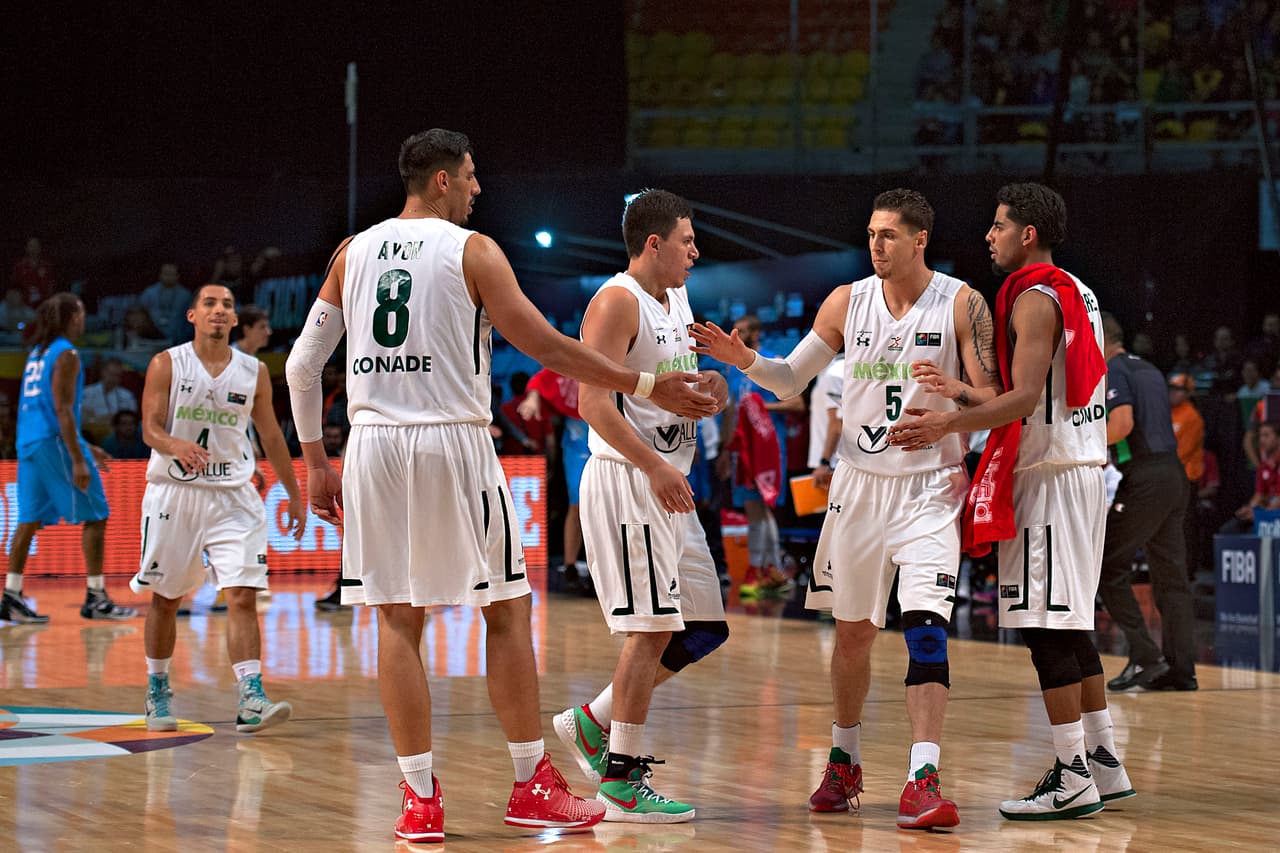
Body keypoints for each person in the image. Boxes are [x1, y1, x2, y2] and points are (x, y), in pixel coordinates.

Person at [283, 128, 715, 842]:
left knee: (398, 621)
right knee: (508, 609)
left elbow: (303, 368)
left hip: (373, 446)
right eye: (473, 176)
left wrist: (316, 462)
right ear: (444, 180)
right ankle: (529, 785)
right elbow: (545, 345)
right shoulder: (472, 250)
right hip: (452, 438)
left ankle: (420, 799)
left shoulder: (349, 253)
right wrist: (646, 382)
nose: (481, 190)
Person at [693, 188, 1000, 829]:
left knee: (925, 627)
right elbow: (789, 379)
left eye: (888, 235)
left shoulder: (962, 302)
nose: (875, 245)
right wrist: (744, 359)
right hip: (859, 487)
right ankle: (845, 759)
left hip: (930, 488)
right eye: (870, 234)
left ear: (920, 240)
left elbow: (993, 397)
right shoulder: (846, 300)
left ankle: (923, 776)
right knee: (855, 634)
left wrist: (951, 412)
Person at [887, 182, 1134, 820]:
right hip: (1080, 468)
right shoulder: (1077, 288)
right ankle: (1104, 759)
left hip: (1051, 476)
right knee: (1072, 622)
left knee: (1043, 628)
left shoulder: (1031, 298)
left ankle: (1072, 773)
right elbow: (1041, 391)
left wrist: (945, 422)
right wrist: (961, 392)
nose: (989, 236)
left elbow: (1024, 400)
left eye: (999, 226)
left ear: (1028, 234)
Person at [552, 189, 729, 823]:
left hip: (669, 482)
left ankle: (592, 721)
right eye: (686, 239)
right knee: (650, 630)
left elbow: (683, 384)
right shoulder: (615, 301)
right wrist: (653, 465)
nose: (695, 249)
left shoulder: (676, 298)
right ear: (653, 244)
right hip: (631, 479)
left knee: (704, 628)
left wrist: (713, 387)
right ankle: (620, 783)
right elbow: (592, 404)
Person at [129, 284, 305, 735]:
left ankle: (251, 696)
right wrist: (174, 445)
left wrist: (295, 492)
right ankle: (157, 688)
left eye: (227, 305)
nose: (219, 311)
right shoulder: (166, 363)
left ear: (233, 320)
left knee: (243, 594)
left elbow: (270, 437)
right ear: (192, 315)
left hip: (233, 494)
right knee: (167, 598)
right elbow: (148, 429)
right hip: (175, 492)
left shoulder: (254, 372)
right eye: (210, 304)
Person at [6, 293, 136, 623]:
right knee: (97, 514)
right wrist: (79, 459)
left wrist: (85, 447)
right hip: (53, 443)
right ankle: (96, 597)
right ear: (70, 319)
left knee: (28, 520)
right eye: (79, 314)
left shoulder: (38, 353)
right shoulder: (67, 353)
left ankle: (10, 594)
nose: (83, 321)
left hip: (30, 442)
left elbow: (47, 410)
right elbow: (62, 410)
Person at [1096, 314, 1198, 693]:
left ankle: (1146, 656)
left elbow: (1121, 425)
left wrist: (1084, 446)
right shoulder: (1151, 370)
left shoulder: (1114, 369)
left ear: (1098, 337)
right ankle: (1180, 670)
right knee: (1171, 578)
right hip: (1174, 475)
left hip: (1146, 478)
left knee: (1107, 567)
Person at [719, 314, 799, 595]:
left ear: (755, 333)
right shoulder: (732, 369)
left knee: (763, 507)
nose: (735, 337)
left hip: (766, 447)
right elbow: (731, 410)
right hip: (742, 450)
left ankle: (770, 569)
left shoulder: (773, 360)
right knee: (752, 510)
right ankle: (762, 571)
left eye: (741, 332)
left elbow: (797, 403)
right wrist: (724, 449)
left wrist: (759, 408)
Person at [82, 357, 139, 441]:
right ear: (103, 372)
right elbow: (81, 416)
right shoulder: (86, 393)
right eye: (111, 374)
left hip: (118, 437)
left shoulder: (127, 396)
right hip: (91, 435)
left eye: (117, 375)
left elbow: (132, 419)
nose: (113, 378)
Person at [139, 263, 192, 342]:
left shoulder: (185, 295)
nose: (168, 277)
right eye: (166, 274)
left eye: (172, 274)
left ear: (177, 276)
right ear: (160, 275)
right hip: (151, 335)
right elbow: (141, 313)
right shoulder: (149, 293)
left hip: (177, 337)